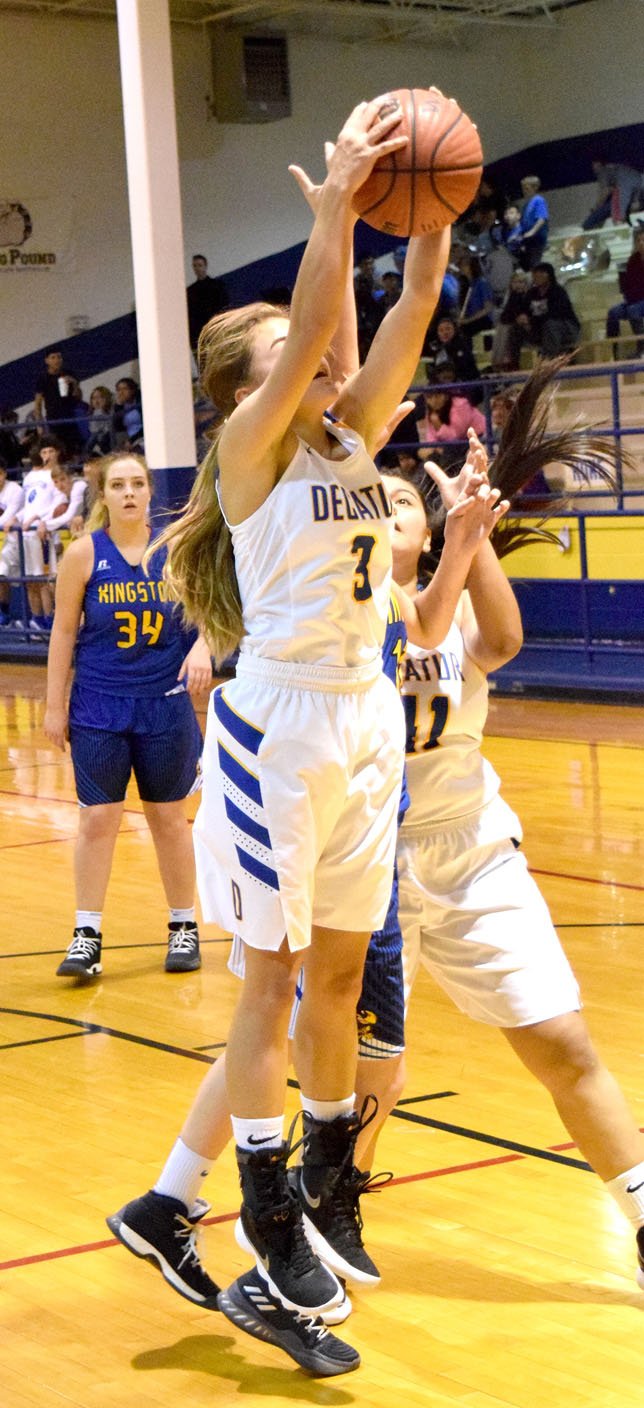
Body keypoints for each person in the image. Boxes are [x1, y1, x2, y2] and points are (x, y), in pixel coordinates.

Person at [125, 99, 453, 1354]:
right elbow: (322, 317)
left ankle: (316, 1185)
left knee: (332, 977)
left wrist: (422, 227)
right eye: (297, 352)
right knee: (269, 984)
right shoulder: (250, 443)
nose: (324, 359)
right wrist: (331, 217)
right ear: (250, 382)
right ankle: (259, 1203)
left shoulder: (350, 432)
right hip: (281, 729)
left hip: (365, 716)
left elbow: (402, 320)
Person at [347, 373, 644, 1293]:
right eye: (380, 501)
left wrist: (469, 525)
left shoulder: (456, 597)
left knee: (562, 1041)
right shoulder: (342, 614)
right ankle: (335, 1200)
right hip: (368, 858)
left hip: (469, 844)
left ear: (427, 528)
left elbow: (506, 641)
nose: (396, 509)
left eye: (408, 501)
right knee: (370, 1067)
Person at [44, 452, 213, 980]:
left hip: (164, 705)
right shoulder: (82, 555)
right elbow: (64, 632)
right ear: (105, 496)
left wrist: (204, 646)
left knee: (167, 818)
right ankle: (87, 934)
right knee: (98, 819)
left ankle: (184, 926)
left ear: (148, 493)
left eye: (138, 483)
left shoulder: (175, 551)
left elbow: (212, 613)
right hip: (98, 705)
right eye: (118, 485)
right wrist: (54, 705)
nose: (129, 493)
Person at [513, 264, 580, 361]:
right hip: (538, 327)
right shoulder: (532, 293)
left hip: (564, 327)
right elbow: (523, 309)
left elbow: (555, 314)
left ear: (547, 275)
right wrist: (522, 317)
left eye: (538, 275)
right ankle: (516, 361)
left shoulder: (558, 291)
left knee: (550, 324)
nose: (535, 278)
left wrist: (531, 321)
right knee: (515, 328)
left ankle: (549, 360)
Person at [33, 348, 80, 455]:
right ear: (47, 361)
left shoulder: (69, 374)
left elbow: (78, 397)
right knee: (57, 451)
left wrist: (74, 383)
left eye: (59, 357)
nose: (56, 360)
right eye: (53, 357)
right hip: (54, 420)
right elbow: (38, 403)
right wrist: (39, 425)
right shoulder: (43, 379)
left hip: (70, 418)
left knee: (74, 450)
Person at [605, 228, 644, 355]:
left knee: (634, 310)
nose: (641, 243)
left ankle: (642, 348)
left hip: (638, 301)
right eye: (638, 240)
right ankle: (613, 351)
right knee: (613, 312)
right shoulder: (633, 260)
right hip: (634, 299)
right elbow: (628, 286)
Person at [582, 158, 643, 230]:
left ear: (599, 164)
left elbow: (605, 191)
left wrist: (596, 207)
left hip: (625, 185)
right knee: (631, 207)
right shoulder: (615, 168)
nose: (594, 169)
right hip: (639, 182)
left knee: (617, 213)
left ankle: (585, 226)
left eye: (594, 165)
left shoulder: (603, 171)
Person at [187, 254, 229, 352]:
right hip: (198, 335)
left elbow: (224, 309)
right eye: (195, 266)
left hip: (215, 332)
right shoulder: (190, 291)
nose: (197, 268)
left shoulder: (217, 286)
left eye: (200, 265)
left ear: (205, 266)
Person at [0, 460, 24, 626]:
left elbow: (9, 516)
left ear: (4, 474)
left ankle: (33, 618)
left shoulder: (15, 489)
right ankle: (3, 612)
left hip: (15, 539)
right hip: (2, 538)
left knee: (12, 576)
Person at [518, 176, 549, 269]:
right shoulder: (527, 204)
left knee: (535, 263)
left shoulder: (538, 200)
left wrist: (532, 231)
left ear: (535, 188)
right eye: (523, 188)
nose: (524, 191)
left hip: (536, 239)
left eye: (526, 188)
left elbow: (542, 218)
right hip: (529, 240)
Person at [112, 377, 144, 454]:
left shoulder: (140, 403)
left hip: (142, 437)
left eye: (125, 389)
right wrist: (118, 406)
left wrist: (131, 440)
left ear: (132, 390)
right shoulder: (120, 406)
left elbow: (147, 427)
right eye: (118, 390)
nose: (121, 392)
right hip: (127, 439)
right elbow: (118, 428)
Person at [85, 386, 114, 457]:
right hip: (97, 442)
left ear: (106, 398)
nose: (96, 401)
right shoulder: (91, 414)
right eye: (94, 398)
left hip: (108, 441)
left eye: (100, 397)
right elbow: (93, 431)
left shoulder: (112, 411)